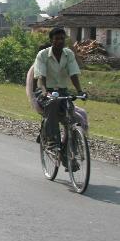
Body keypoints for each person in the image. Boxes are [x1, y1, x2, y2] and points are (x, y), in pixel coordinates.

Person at [33, 27, 85, 159]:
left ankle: (70, 153)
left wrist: (80, 91)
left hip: (62, 91)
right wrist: (45, 91)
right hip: (45, 91)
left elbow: (73, 74)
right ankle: (52, 140)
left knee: (72, 118)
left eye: (62, 38)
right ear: (51, 40)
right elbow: (41, 76)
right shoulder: (43, 55)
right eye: (56, 39)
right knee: (53, 104)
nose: (60, 41)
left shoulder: (69, 54)